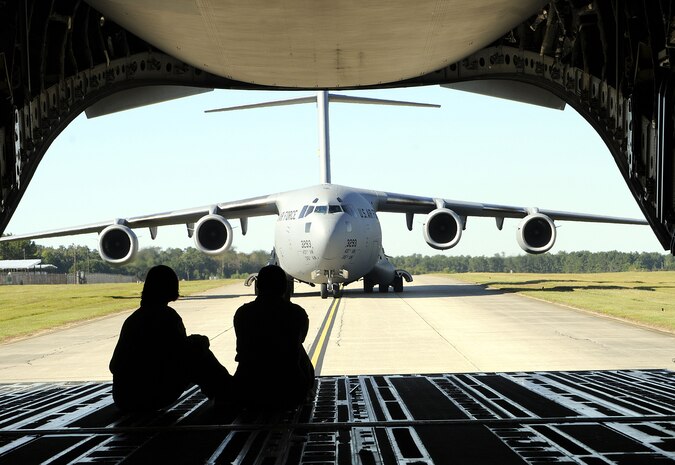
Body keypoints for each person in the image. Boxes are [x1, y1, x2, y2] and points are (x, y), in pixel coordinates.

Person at [109, 265, 231, 412]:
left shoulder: (133, 320)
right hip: (150, 396)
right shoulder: (167, 317)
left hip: (125, 399)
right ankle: (228, 393)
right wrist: (199, 342)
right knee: (200, 354)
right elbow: (181, 354)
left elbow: (114, 365)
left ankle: (227, 392)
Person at [233, 265, 315, 409]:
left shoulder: (243, 313)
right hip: (290, 389)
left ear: (258, 287)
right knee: (296, 348)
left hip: (249, 388)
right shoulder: (297, 313)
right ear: (285, 287)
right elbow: (299, 340)